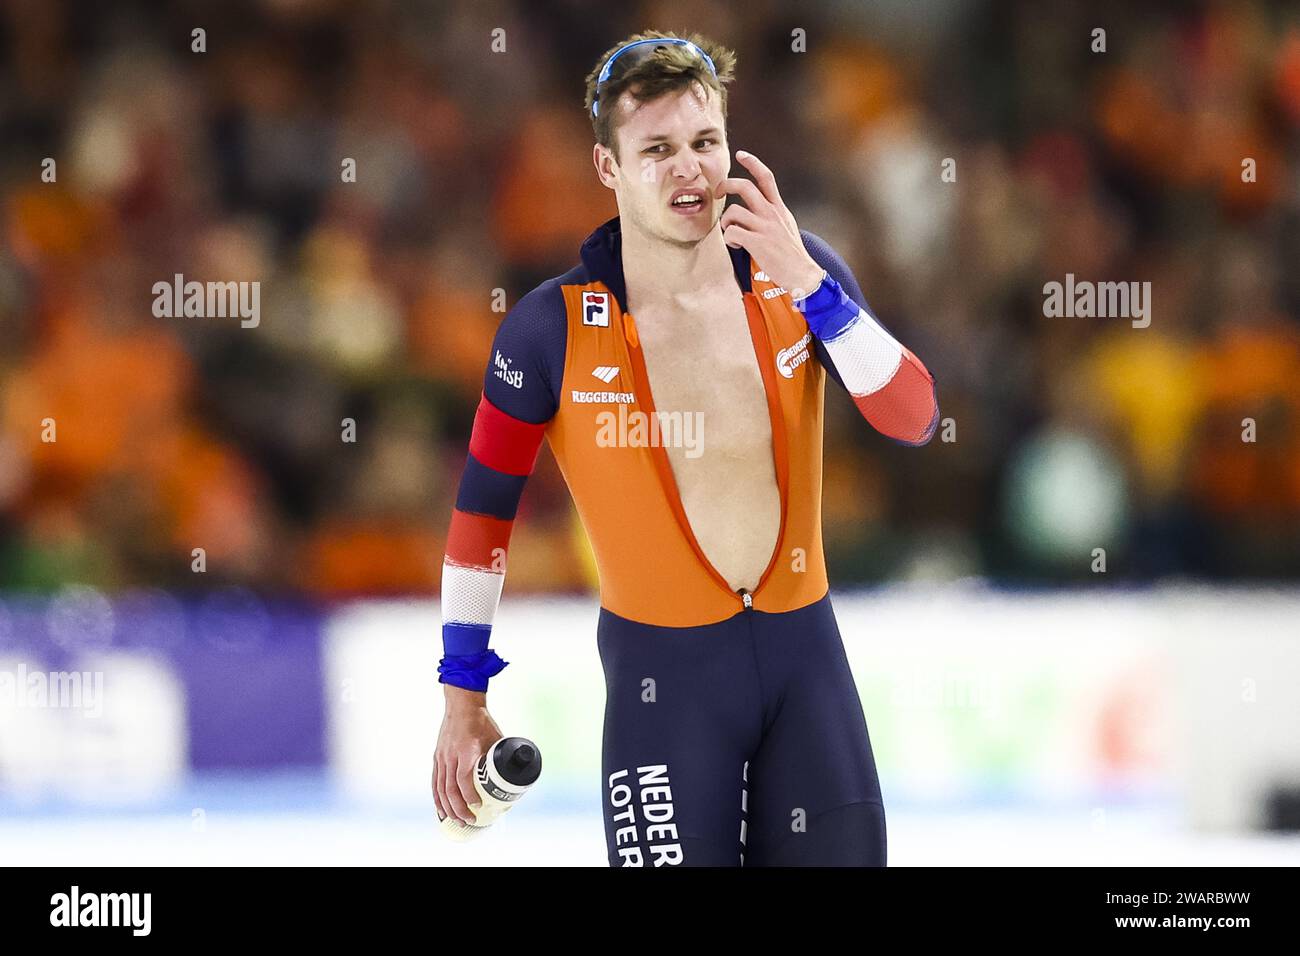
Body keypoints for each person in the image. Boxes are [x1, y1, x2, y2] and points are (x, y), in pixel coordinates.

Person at [434, 30, 939, 866]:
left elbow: (914, 417)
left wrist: (816, 291)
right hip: (662, 688)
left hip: (805, 664)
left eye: (705, 143)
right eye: (657, 149)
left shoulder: (797, 274)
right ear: (608, 169)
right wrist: (463, 698)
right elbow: (483, 513)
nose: (688, 170)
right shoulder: (548, 330)